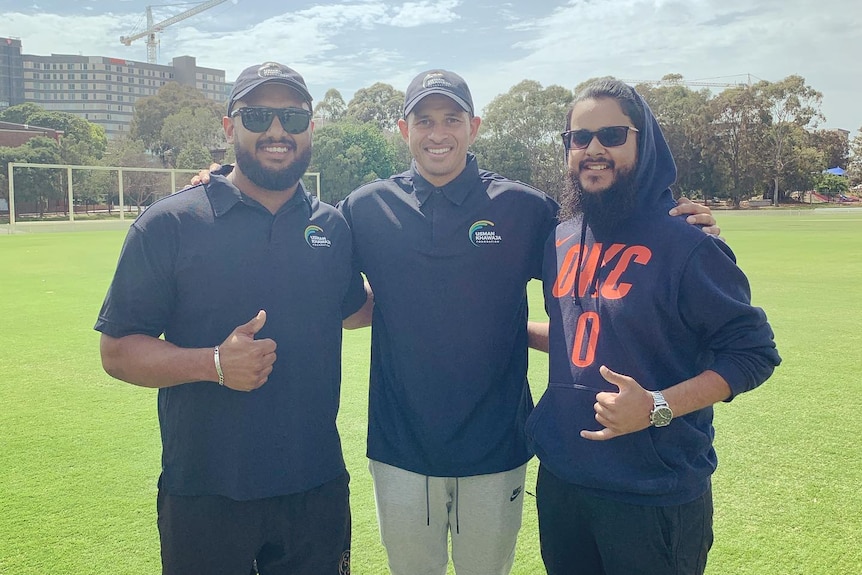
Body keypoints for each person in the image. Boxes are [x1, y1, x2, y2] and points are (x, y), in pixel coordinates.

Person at [191, 70, 719, 575]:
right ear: (404, 130)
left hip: (497, 446)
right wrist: (225, 184)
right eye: (424, 121)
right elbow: (319, 259)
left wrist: (672, 222)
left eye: (451, 118)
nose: (437, 133)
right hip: (400, 448)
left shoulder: (526, 209)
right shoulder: (365, 208)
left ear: (474, 126)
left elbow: (596, 254)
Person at [95, 61, 367, 575]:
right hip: (205, 490)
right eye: (258, 115)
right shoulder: (169, 223)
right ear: (229, 127)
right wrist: (214, 363)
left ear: (311, 127)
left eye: (292, 116)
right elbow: (117, 349)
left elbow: (355, 310)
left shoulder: (331, 225)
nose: (277, 131)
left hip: (316, 485)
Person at [525, 78, 781, 575]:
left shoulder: (687, 240)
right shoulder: (560, 237)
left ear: (644, 143)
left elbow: (753, 353)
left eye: (612, 135)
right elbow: (574, 339)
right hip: (564, 485)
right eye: (580, 138)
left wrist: (657, 407)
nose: (593, 149)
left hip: (652, 492)